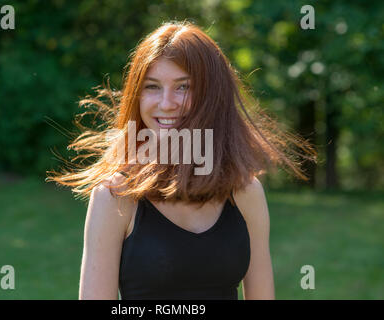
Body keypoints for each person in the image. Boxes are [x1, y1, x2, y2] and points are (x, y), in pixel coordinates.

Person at [46, 20, 317, 300]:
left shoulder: (245, 193)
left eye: (183, 87)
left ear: (213, 96)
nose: (166, 103)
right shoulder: (115, 196)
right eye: (152, 87)